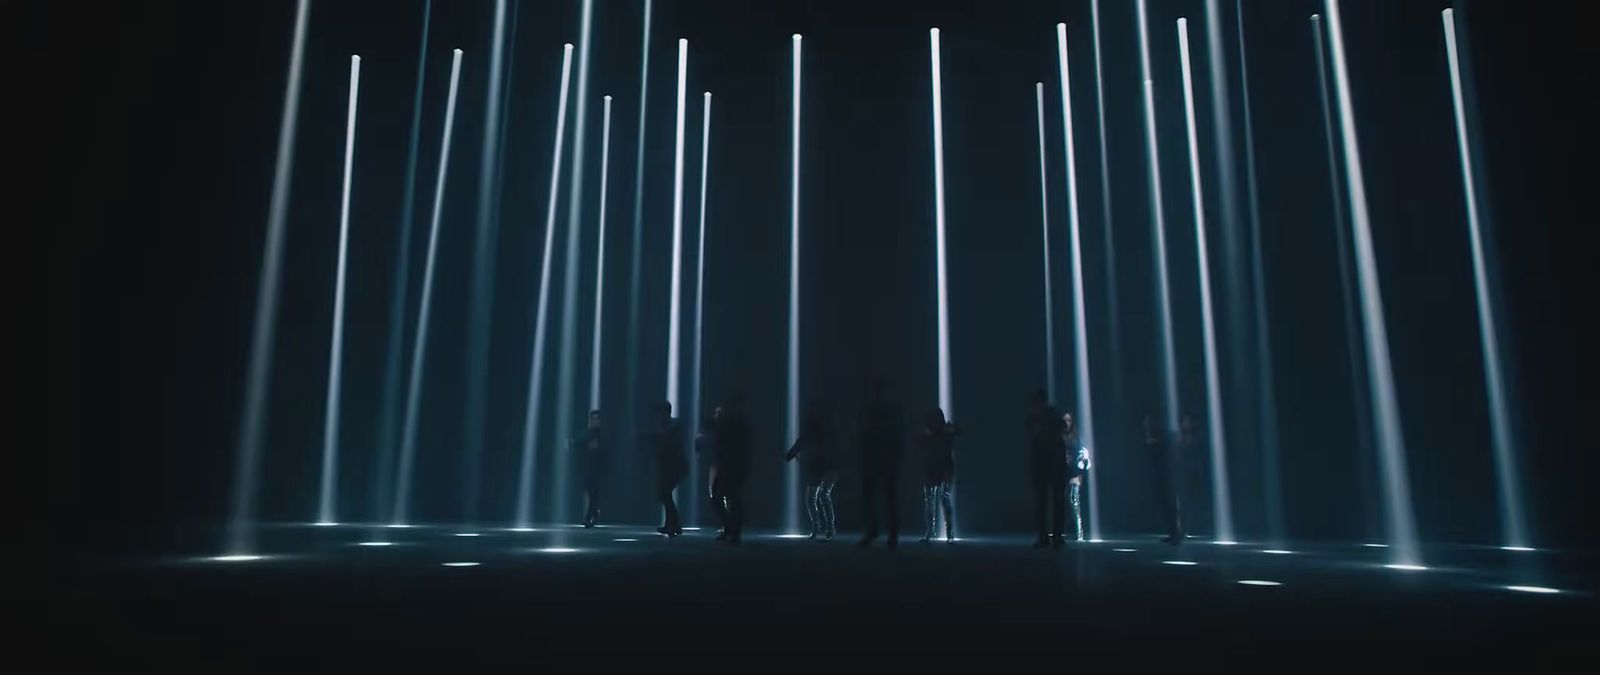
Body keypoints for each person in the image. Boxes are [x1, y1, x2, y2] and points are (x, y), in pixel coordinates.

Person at [856, 378, 904, 548]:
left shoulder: (878, 410)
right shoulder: (886, 410)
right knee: (881, 498)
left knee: (880, 498)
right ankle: (883, 533)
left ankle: (880, 533)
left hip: (880, 459)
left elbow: (863, 433)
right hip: (878, 459)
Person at [785, 400, 839, 541]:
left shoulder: (828, 430)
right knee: (813, 498)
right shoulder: (812, 430)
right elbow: (800, 443)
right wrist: (789, 456)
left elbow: (801, 443)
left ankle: (828, 528)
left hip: (827, 466)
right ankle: (819, 527)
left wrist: (790, 456)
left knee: (822, 496)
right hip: (817, 467)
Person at [707, 396, 752, 544]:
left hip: (733, 466)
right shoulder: (731, 424)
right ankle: (730, 529)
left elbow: (741, 448)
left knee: (731, 499)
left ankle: (732, 531)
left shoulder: (737, 424)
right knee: (722, 499)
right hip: (727, 466)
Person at [1027, 389, 1069, 548]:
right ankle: (1052, 537)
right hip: (1047, 463)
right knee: (1050, 500)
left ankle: (1049, 537)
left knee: (1048, 500)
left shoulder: (1040, 417)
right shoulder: (1050, 416)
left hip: (1048, 463)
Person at [917, 408, 960, 543]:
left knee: (940, 500)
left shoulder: (943, 432)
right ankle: (939, 532)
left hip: (942, 469)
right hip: (934, 469)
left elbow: (958, 431)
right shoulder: (934, 433)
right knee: (933, 501)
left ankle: (945, 533)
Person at [643, 401, 686, 537]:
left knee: (665, 495)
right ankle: (672, 525)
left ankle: (674, 525)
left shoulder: (674, 426)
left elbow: (669, 444)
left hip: (673, 467)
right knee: (665, 496)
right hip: (667, 466)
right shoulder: (668, 426)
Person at [1144, 412, 1183, 545]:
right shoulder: (1161, 437)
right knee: (1166, 505)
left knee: (1170, 505)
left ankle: (1176, 533)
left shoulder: (1163, 437)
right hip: (1162, 476)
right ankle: (1173, 533)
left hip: (1167, 477)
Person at [572, 409, 607, 528]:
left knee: (594, 494)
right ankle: (592, 515)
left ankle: (590, 516)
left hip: (598, 470)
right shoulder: (587, 434)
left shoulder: (603, 435)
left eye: (597, 419)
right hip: (587, 470)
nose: (595, 421)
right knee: (592, 494)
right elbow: (578, 443)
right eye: (593, 419)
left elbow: (607, 452)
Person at [1062, 412, 1092, 542]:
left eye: (1068, 420)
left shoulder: (1077, 438)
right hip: (1064, 472)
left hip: (1075, 472)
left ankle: (1080, 533)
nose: (1066, 423)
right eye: (1064, 421)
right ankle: (1072, 531)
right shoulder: (1059, 437)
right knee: (1068, 501)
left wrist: (1082, 462)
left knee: (1074, 500)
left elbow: (1084, 455)